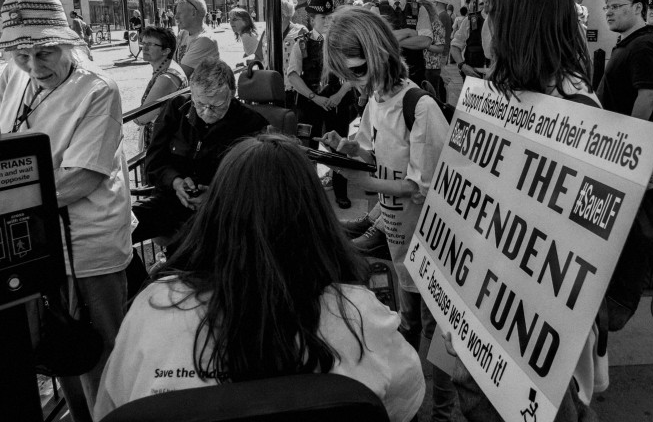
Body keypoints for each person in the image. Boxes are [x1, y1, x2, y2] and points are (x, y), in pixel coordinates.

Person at [94, 134, 425, 422]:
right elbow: (404, 404)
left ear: (216, 214)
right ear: (316, 218)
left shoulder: (152, 311)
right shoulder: (362, 316)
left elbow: (111, 408)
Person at [446, 0, 603, 422]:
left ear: (517, 24)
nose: (483, 28)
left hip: (532, 314)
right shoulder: (506, 92)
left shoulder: (575, 109)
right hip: (490, 288)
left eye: (490, 17)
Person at [0, 0, 132, 422]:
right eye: (24, 55)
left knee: (98, 349)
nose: (35, 66)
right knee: (57, 351)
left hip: (87, 245)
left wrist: (14, 204)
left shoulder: (97, 89)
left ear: (69, 41)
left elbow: (84, 177)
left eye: (46, 52)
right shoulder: (13, 75)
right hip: (32, 243)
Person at [320, 7, 455, 422]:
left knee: (440, 333)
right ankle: (410, 397)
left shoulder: (420, 106)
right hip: (399, 235)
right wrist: (344, 148)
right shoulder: (377, 100)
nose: (351, 82)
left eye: (356, 71)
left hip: (432, 240)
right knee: (409, 322)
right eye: (345, 74)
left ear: (378, 53)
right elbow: (369, 152)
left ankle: (445, 412)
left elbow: (424, 186)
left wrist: (366, 186)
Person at [131, 59, 265, 251]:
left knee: (190, 248)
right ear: (191, 93)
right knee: (115, 230)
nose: (207, 112)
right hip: (170, 200)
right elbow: (154, 161)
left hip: (223, 211)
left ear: (232, 95)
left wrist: (214, 195)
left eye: (217, 105)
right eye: (200, 103)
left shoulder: (252, 124)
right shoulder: (176, 109)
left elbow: (257, 183)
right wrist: (176, 181)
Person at [597, 0, 653, 189]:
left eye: (616, 6)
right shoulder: (630, 42)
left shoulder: (642, 46)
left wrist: (628, 144)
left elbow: (648, 97)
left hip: (638, 155)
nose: (608, 12)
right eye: (607, 7)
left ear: (638, 7)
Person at [286, 0, 354, 209]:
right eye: (321, 17)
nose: (326, 21)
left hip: (337, 104)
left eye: (329, 16)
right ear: (312, 19)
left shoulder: (342, 44)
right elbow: (293, 75)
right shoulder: (302, 44)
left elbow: (353, 74)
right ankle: (309, 194)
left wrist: (338, 95)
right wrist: (314, 98)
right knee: (308, 149)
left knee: (339, 148)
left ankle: (341, 191)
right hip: (310, 105)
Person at [371, 0, 433, 86]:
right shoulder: (377, 10)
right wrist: (409, 31)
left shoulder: (419, 9)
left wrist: (388, 40)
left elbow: (426, 41)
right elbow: (376, 40)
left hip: (415, 74)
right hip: (387, 75)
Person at [132, 26, 188, 152]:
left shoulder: (167, 78)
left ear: (166, 51)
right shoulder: (166, 69)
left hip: (162, 147)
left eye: (151, 44)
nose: (144, 48)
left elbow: (142, 117)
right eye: (143, 43)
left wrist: (134, 117)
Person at [450, 0, 493, 78]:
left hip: (499, 80)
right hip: (475, 76)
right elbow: (455, 46)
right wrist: (462, 65)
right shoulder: (471, 20)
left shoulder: (507, 21)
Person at [173, 0, 220, 79]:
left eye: (179, 13)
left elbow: (179, 76)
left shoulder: (204, 40)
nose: (176, 17)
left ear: (194, 13)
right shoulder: (184, 33)